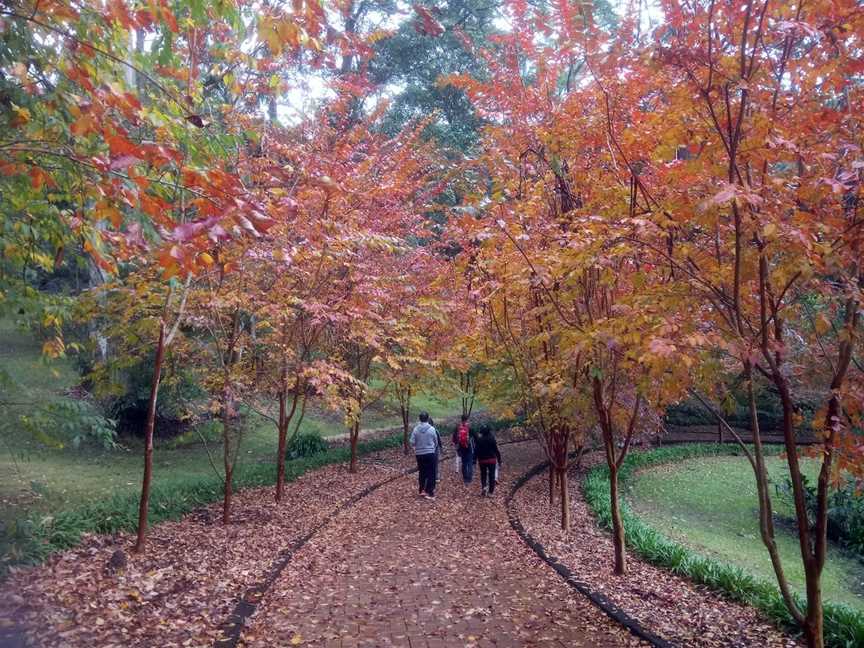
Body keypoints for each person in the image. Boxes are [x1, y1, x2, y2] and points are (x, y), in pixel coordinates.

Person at [409, 411, 440, 500]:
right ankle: (430, 491)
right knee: (431, 472)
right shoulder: (432, 429)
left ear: (420, 419)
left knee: (422, 472)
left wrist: (415, 448)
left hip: (419, 454)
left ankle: (422, 490)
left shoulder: (415, 429)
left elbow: (412, 442)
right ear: (427, 418)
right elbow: (436, 441)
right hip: (430, 453)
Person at [474, 426, 501, 496]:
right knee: (491, 475)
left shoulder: (479, 440)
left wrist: (474, 459)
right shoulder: (492, 439)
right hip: (491, 459)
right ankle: (490, 492)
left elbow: (476, 450)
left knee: (483, 474)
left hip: (482, 460)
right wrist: (499, 459)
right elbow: (496, 450)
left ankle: (484, 487)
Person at [451, 414, 474, 484]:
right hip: (468, 446)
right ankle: (469, 478)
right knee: (469, 462)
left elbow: (454, 436)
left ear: (461, 419)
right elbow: (475, 436)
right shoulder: (469, 427)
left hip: (461, 447)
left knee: (464, 463)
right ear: (467, 419)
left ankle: (465, 479)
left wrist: (455, 443)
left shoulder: (458, 427)